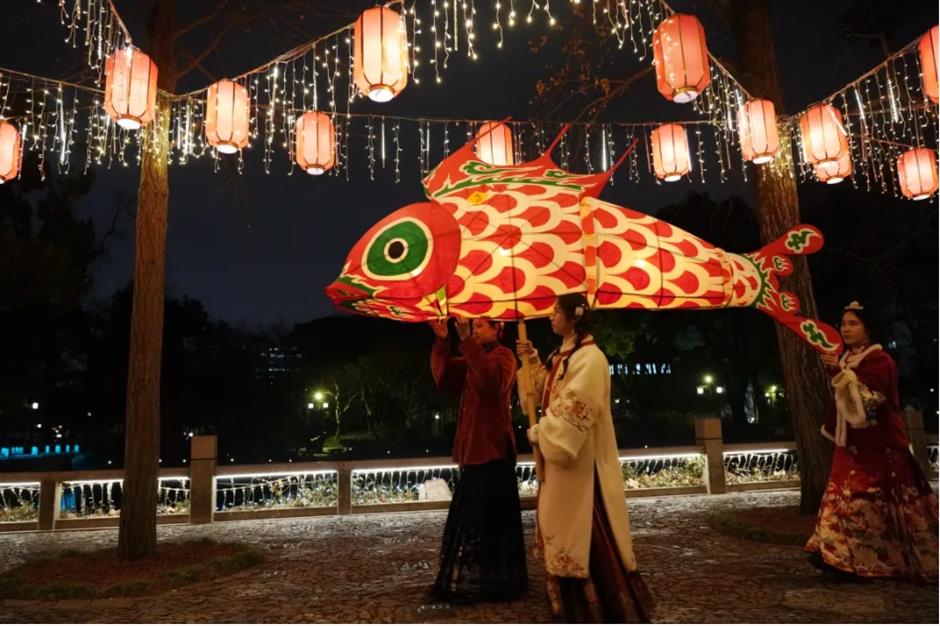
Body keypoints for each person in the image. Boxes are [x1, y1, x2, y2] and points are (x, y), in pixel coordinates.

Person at [516, 293, 654, 622]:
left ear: (573, 317)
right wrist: (533, 360)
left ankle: (594, 606)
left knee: (583, 527)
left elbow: (578, 406)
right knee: (566, 526)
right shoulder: (562, 355)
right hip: (564, 465)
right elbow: (544, 392)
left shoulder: (590, 358)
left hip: (581, 462)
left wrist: (543, 432)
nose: (550, 317)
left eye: (555, 312)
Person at [805, 300, 938, 581]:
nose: (846, 328)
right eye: (844, 323)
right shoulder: (846, 359)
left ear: (868, 329)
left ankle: (872, 561)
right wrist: (839, 374)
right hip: (850, 445)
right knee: (842, 499)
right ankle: (837, 557)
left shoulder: (880, 361)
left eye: (854, 323)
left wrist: (839, 376)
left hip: (879, 445)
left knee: (868, 502)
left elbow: (869, 401)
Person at [428, 316, 528, 602]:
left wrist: (465, 343)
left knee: (491, 520)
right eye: (474, 326)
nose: (474, 330)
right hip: (474, 450)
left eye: (480, 326)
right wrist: (443, 340)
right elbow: (444, 378)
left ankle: (496, 581)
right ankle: (479, 578)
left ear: (498, 329)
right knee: (475, 521)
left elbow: (490, 383)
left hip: (493, 452)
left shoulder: (504, 356)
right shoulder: (475, 356)